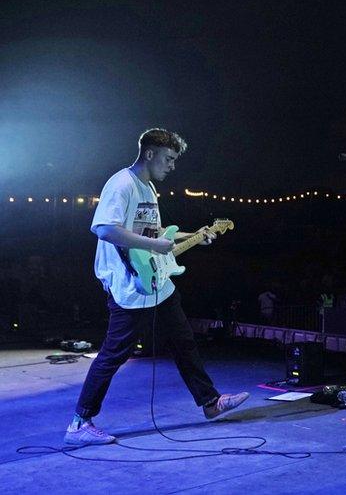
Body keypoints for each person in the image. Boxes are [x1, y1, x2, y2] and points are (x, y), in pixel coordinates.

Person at [65, 128, 249, 446]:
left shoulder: (149, 188)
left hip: (156, 281)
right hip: (129, 284)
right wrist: (157, 246)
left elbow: (154, 232)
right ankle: (79, 422)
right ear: (150, 154)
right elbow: (104, 228)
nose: (172, 167)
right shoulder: (122, 183)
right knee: (113, 354)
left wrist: (190, 235)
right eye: (169, 159)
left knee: (183, 341)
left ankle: (210, 402)